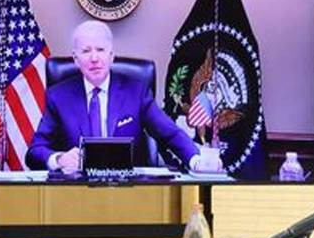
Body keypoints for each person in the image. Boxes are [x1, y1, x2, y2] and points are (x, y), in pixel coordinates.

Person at [26, 20, 218, 174]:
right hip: (76, 192)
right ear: (76, 59)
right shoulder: (59, 96)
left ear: (111, 56)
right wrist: (59, 159)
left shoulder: (136, 92)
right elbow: (35, 151)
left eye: (100, 50)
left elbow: (170, 133)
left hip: (128, 191)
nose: (94, 58)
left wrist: (196, 160)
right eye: (86, 51)